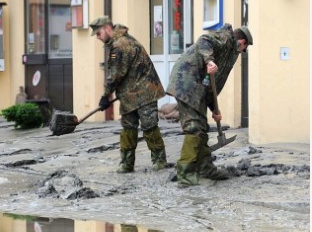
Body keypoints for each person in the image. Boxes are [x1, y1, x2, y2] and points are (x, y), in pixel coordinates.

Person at [167, 23, 253, 186]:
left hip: (197, 86)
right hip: (186, 81)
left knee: (202, 129)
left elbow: (211, 84)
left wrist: (215, 109)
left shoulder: (228, 54)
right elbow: (204, 40)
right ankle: (185, 173)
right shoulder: (226, 38)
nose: (242, 52)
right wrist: (208, 60)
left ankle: (206, 168)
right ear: (242, 42)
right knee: (194, 128)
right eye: (244, 48)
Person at [89, 16, 168, 173]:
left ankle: (159, 161)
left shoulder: (121, 45)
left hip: (145, 91)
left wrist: (105, 96)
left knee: (149, 127)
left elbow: (116, 74)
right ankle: (126, 163)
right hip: (129, 94)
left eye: (98, 33)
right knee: (128, 128)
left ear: (107, 28)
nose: (98, 38)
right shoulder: (119, 42)